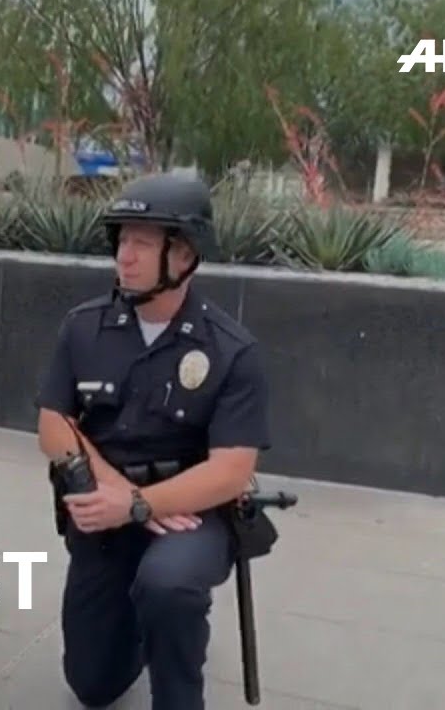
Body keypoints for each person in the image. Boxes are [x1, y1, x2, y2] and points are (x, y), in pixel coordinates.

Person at [35, 173, 271, 710]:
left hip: (192, 515)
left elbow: (232, 470)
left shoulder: (231, 350)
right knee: (93, 685)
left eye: (142, 242)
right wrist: (123, 497)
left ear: (184, 254)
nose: (125, 256)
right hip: (107, 509)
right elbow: (54, 424)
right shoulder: (84, 327)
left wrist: (144, 504)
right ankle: (148, 632)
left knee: (169, 584)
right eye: (122, 240)